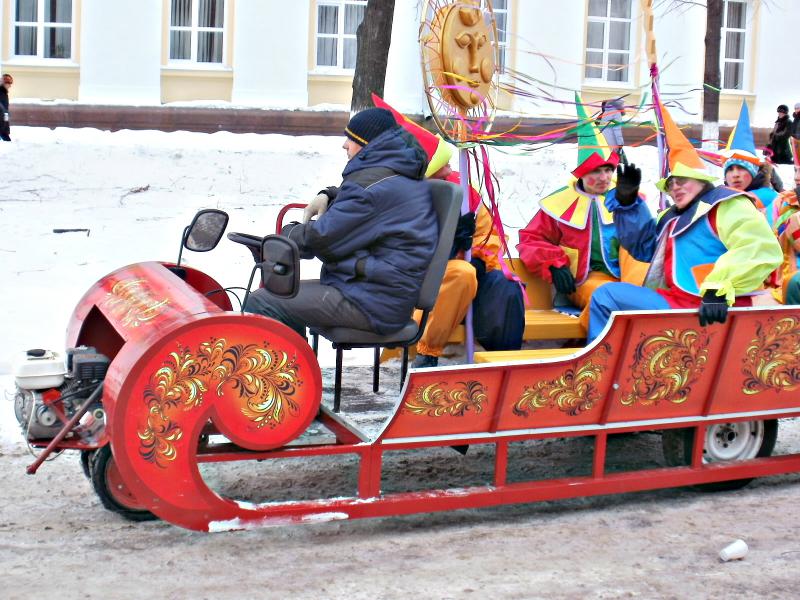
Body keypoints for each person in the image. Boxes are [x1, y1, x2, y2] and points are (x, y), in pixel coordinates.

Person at [587, 104, 783, 342]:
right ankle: (606, 367)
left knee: (608, 295)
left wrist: (718, 289)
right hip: (678, 302)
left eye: (682, 180)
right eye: (671, 184)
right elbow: (644, 248)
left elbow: (758, 248)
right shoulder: (671, 218)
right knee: (606, 295)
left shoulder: (726, 204)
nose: (675, 187)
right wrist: (628, 206)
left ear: (701, 180)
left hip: (717, 307)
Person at [245, 107, 438, 339]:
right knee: (278, 295)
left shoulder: (372, 187)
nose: (345, 145)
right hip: (378, 293)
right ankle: (294, 370)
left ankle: (291, 373)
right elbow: (363, 202)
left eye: (352, 139)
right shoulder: (393, 175)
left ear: (368, 144)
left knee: (264, 302)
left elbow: (321, 238)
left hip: (373, 302)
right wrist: (329, 194)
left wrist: (287, 234)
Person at [371, 94, 524, 368]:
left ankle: (503, 364)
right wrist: (448, 245)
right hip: (412, 285)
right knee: (461, 274)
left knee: (501, 286)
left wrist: (475, 256)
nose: (451, 174)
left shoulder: (465, 194)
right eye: (442, 171)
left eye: (450, 167)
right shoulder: (397, 201)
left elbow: (489, 240)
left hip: (462, 284)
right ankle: (427, 352)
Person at [516, 93, 650, 332]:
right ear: (581, 174)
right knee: (609, 297)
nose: (604, 178)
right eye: (596, 172)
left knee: (644, 291)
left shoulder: (625, 197)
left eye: (608, 170)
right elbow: (530, 239)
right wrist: (554, 263)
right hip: (590, 281)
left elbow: (648, 241)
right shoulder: (559, 205)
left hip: (632, 279)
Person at [720, 101, 779, 224]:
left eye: (741, 168)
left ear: (753, 171)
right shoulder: (725, 197)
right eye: (730, 169)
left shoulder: (767, 197)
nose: (735, 174)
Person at [599, 98, 626, 164]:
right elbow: (617, 130)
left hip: (603, 139)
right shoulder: (616, 113)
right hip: (612, 140)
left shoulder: (606, 112)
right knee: (612, 161)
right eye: (623, 104)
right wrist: (620, 143)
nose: (624, 106)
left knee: (605, 158)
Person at [0, 73, 12, 142]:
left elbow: (5, 110)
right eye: (9, 83)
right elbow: (2, 110)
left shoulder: (4, 93)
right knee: (7, 141)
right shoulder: (1, 93)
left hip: (3, 123)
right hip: (1, 124)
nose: (10, 85)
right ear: (4, 83)